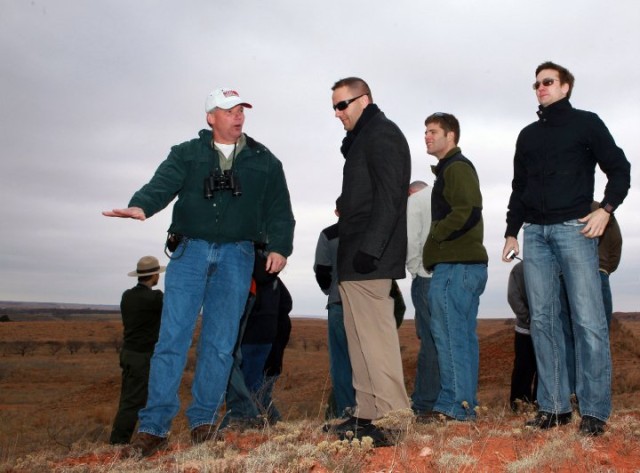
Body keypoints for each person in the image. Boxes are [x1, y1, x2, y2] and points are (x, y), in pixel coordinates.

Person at [103, 87, 295, 456]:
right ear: (211, 117)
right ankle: (154, 428)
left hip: (238, 255)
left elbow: (279, 209)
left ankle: (204, 422)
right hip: (190, 251)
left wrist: (280, 246)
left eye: (241, 110)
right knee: (171, 338)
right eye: (229, 110)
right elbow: (162, 184)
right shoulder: (187, 153)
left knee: (221, 343)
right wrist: (142, 206)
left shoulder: (264, 160)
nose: (238, 116)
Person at [502, 61, 630, 436]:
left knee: (588, 320)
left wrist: (606, 210)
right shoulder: (527, 135)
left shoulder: (586, 123)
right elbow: (518, 188)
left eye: (548, 82)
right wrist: (512, 232)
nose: (540, 88)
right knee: (542, 321)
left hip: (576, 230)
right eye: (536, 83)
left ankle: (594, 411)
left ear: (566, 87)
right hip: (535, 236)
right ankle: (554, 407)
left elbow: (619, 168)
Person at [327, 77, 411, 447]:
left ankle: (395, 419)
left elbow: (392, 195)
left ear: (365, 100)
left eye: (343, 104)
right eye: (334, 106)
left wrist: (371, 248)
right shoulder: (364, 139)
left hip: (369, 257)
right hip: (353, 256)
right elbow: (369, 193)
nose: (337, 113)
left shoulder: (382, 133)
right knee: (359, 338)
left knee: (376, 338)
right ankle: (367, 413)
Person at [422, 112, 488, 422]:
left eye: (433, 131)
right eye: (426, 132)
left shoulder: (457, 167)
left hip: (456, 265)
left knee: (449, 335)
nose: (427, 136)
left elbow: (469, 210)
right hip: (463, 266)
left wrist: (436, 234)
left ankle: (455, 407)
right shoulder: (449, 169)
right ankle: (462, 405)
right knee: (459, 335)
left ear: (452, 136)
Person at [109, 256, 165, 445]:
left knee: (129, 398)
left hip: (128, 353)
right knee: (134, 402)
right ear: (154, 275)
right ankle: (118, 443)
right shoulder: (155, 298)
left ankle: (125, 439)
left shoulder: (127, 295)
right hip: (143, 356)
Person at [313, 214, 356, 419]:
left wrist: (330, 290)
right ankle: (370, 410)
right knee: (366, 358)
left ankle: (346, 412)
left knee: (341, 362)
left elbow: (321, 269)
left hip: (338, 302)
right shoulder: (367, 230)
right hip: (366, 305)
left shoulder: (329, 234)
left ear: (337, 211)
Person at [405, 180, 440, 420]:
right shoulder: (444, 195)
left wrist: (415, 269)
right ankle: (448, 400)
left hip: (426, 276)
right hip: (448, 275)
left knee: (429, 341)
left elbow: (411, 240)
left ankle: (424, 403)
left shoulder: (415, 201)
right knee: (448, 341)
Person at [507, 261, 538, 411]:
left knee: (524, 369)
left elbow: (512, 296)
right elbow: (513, 297)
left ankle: (522, 407)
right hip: (527, 330)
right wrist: (529, 319)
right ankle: (524, 406)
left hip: (527, 328)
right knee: (525, 369)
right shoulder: (519, 269)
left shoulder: (518, 269)